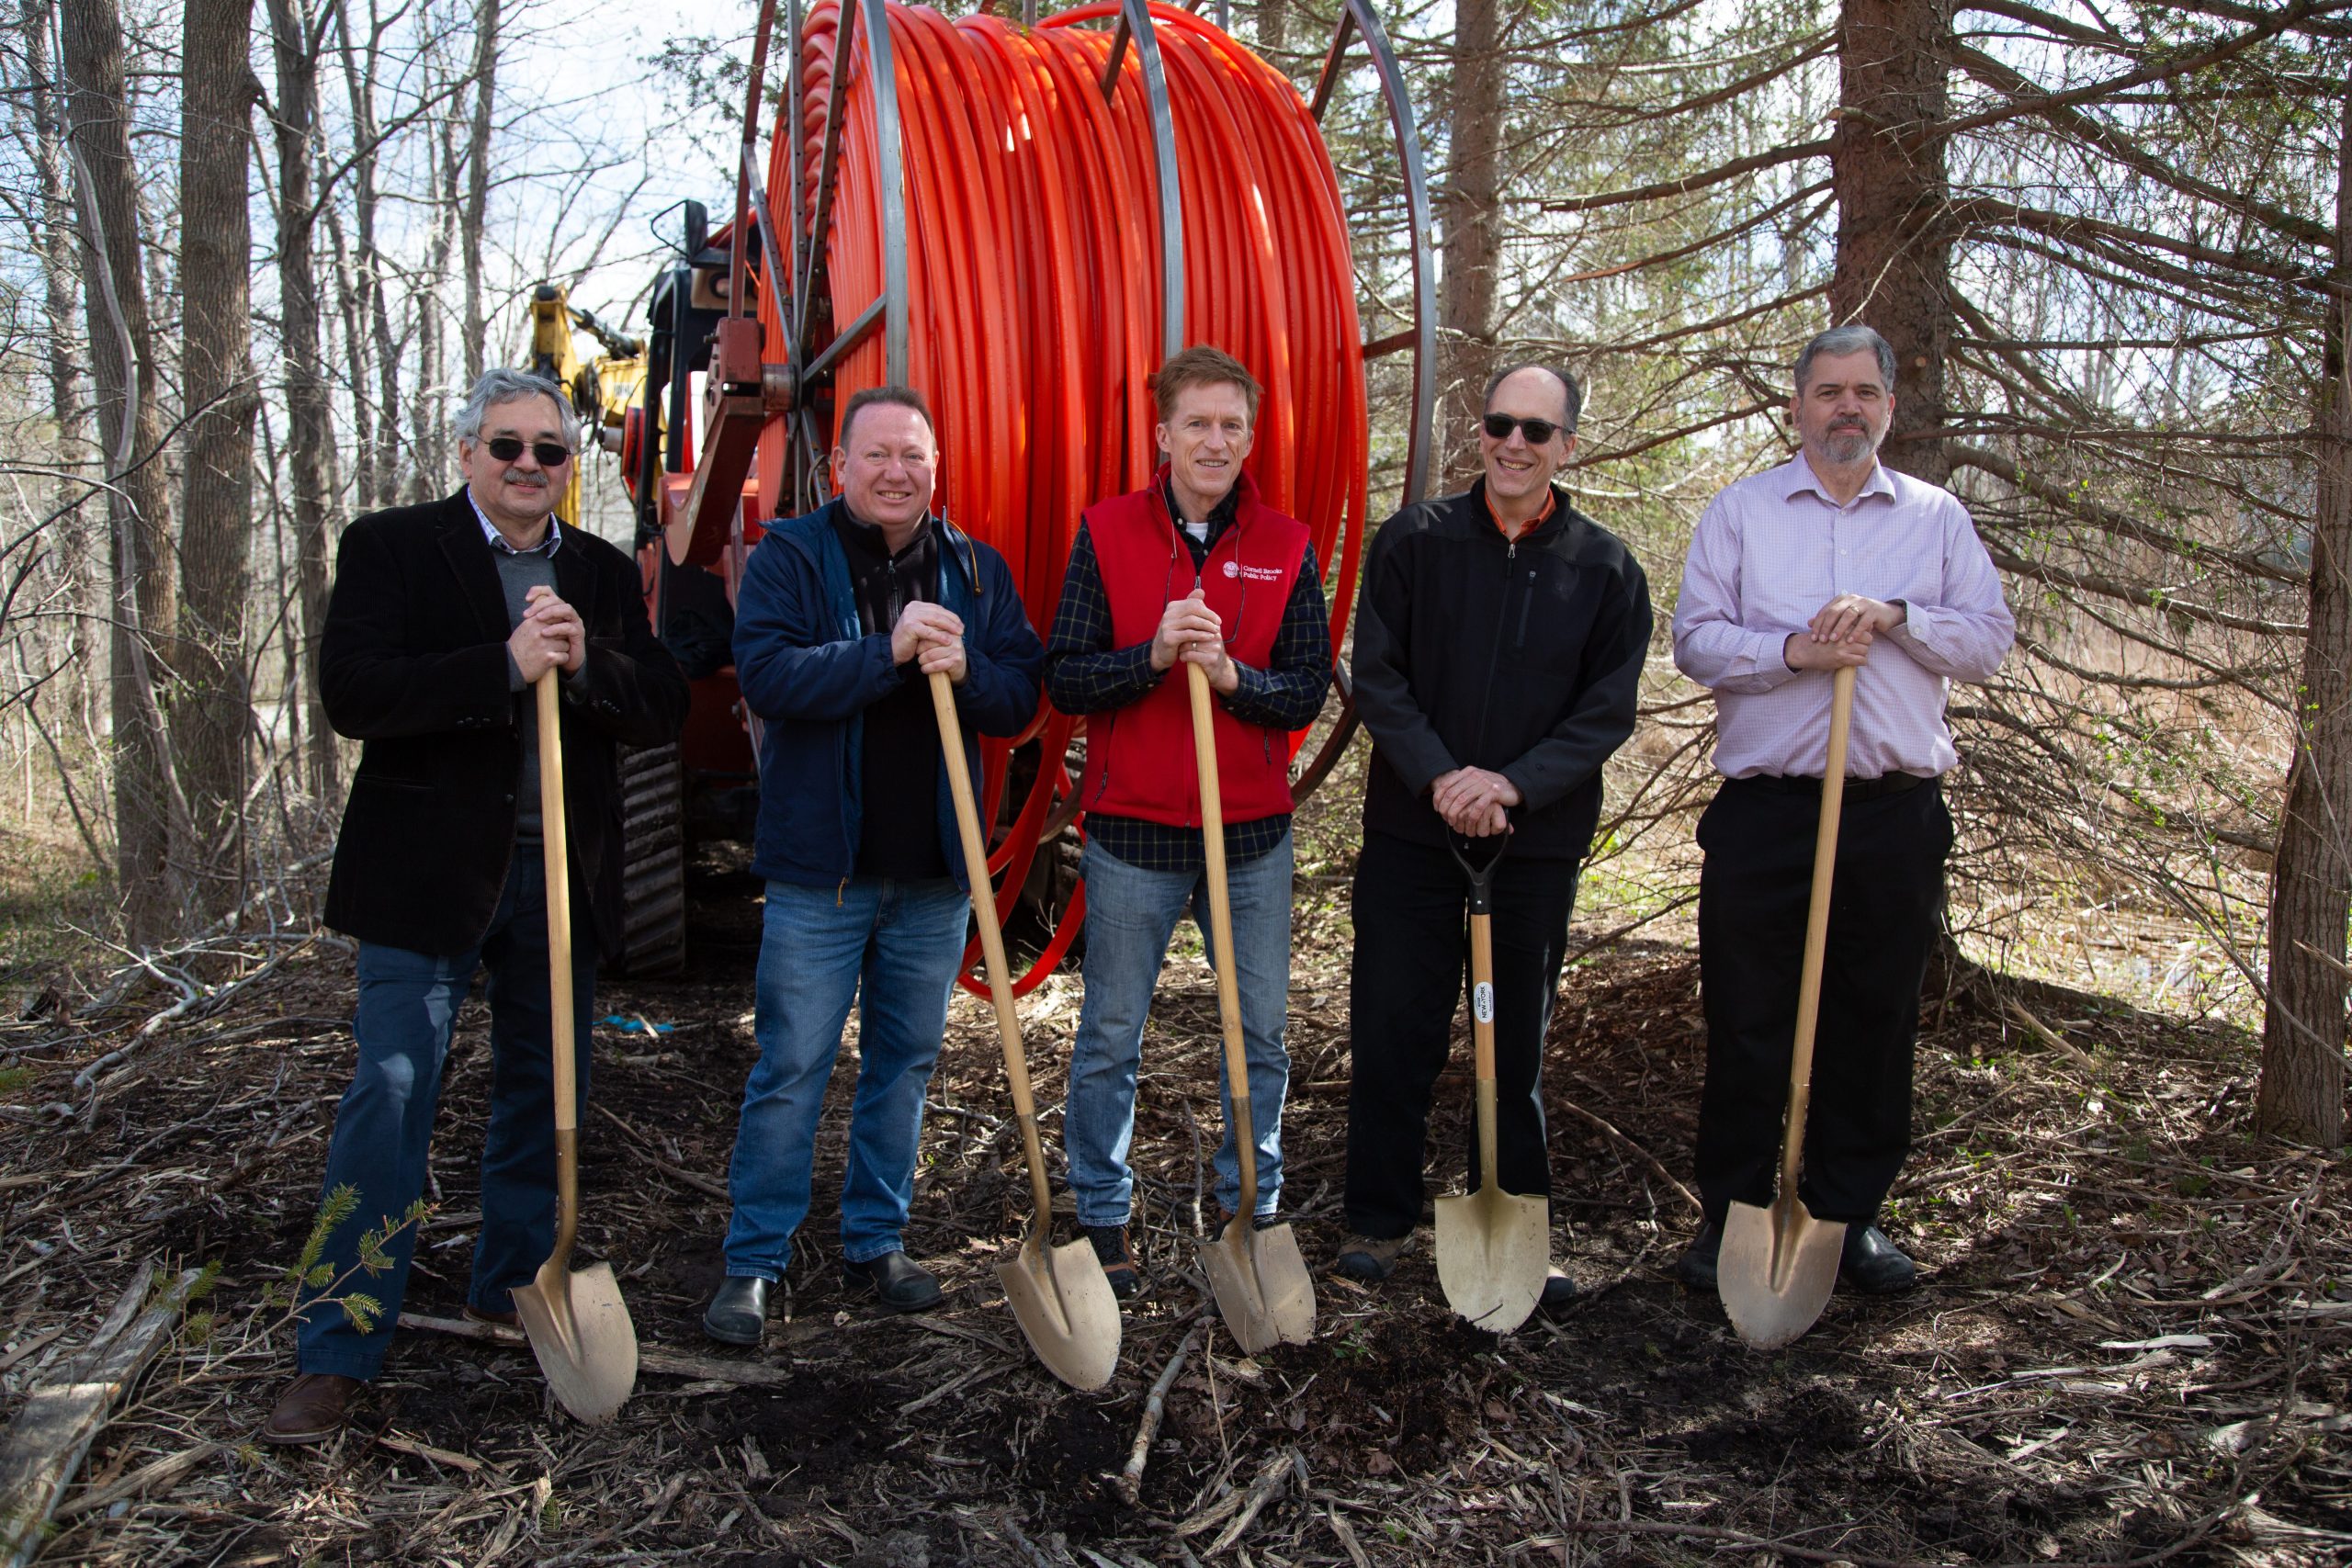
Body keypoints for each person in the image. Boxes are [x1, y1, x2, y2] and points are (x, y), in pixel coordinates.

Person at [265, 369, 689, 1445]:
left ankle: (511, 1285)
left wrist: (588, 662)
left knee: (544, 1092)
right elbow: (354, 692)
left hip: (561, 878)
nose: (528, 467)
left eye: (550, 451)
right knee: (391, 1094)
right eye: (507, 446)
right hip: (426, 876)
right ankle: (339, 1340)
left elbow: (660, 707)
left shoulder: (594, 570)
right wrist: (499, 665)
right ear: (465, 453)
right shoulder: (393, 547)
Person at [1670, 323, 2013, 1295]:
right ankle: (1732, 1216)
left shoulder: (1935, 520)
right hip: (1768, 812)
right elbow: (1694, 641)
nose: (1846, 409)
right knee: (1747, 1016)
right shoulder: (1740, 513)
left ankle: (1845, 1214)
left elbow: (1988, 642)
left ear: (1890, 407)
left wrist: (1899, 618)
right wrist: (1793, 653)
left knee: (1872, 1017)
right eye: (1827, 392)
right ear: (1797, 406)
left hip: (1890, 815)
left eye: (1864, 392)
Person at [703, 385, 1046, 1345]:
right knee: (794, 1064)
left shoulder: (974, 570)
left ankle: (876, 1240)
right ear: (838, 469)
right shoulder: (790, 559)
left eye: (915, 457)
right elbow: (767, 674)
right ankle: (754, 1262)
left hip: (934, 877)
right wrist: (883, 654)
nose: (898, 473)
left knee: (904, 1065)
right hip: (823, 874)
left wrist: (971, 668)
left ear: (936, 470)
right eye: (879, 456)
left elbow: (1021, 697)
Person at [1338, 364, 1653, 1310]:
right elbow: (1378, 676)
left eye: (1537, 430)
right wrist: (1442, 776)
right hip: (1411, 831)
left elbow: (1605, 712)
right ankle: (1378, 1221)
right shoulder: (1415, 542)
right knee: (1393, 1028)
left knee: (1510, 1041)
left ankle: (1509, 1210)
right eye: (1499, 424)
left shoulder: (1603, 569)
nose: (1514, 443)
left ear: (1568, 446)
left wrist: (1510, 785)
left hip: (1532, 844)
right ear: (1479, 431)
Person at [1044, 345, 1333, 1297]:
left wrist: (1227, 679)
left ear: (1249, 438)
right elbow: (1066, 673)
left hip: (1248, 838)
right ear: (1162, 435)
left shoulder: (1286, 545)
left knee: (1257, 1034)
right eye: (1197, 424)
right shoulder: (1108, 533)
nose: (1216, 441)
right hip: (1131, 834)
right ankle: (1100, 1210)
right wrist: (1153, 655)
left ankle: (1252, 1200)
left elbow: (1299, 695)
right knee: (1110, 1033)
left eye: (1232, 426)